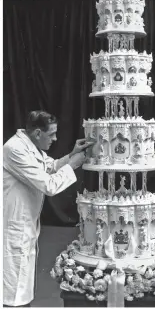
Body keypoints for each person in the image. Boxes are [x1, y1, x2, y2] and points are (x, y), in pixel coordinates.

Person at [3, 110, 90, 307]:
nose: (55, 138)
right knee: (12, 290)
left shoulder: (30, 146)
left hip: (25, 225)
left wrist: (72, 155)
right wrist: (73, 166)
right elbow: (49, 185)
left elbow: (50, 167)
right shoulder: (14, 149)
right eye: (51, 134)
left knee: (20, 286)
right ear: (37, 133)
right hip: (13, 226)